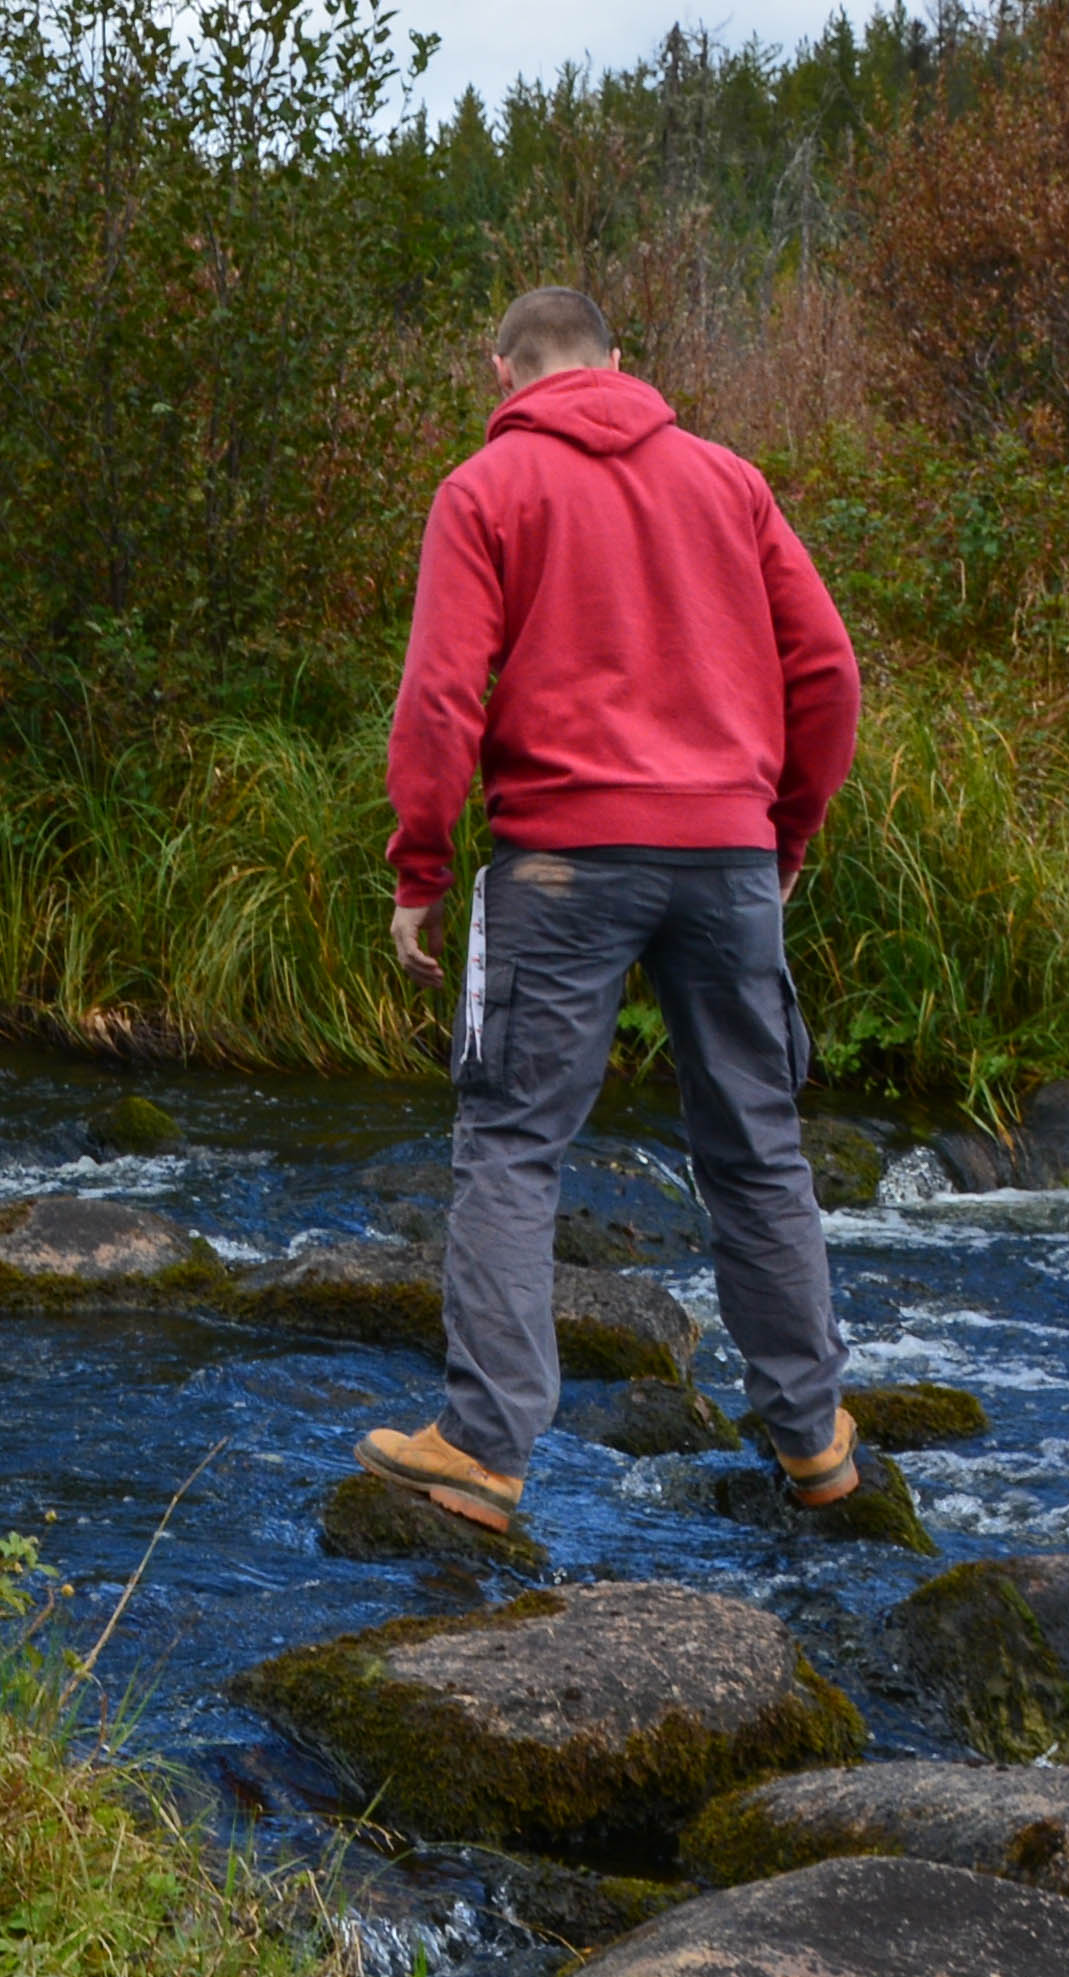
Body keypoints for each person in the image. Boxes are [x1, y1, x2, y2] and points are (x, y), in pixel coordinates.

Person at [361, 284, 866, 1539]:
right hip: (727, 859)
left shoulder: (485, 490)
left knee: (513, 1147)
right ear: (621, 362)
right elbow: (829, 671)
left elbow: (438, 695)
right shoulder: (729, 481)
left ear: (502, 371)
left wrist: (419, 868)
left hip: (559, 863)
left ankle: (481, 1450)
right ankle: (812, 1441)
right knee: (756, 1149)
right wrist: (784, 832)